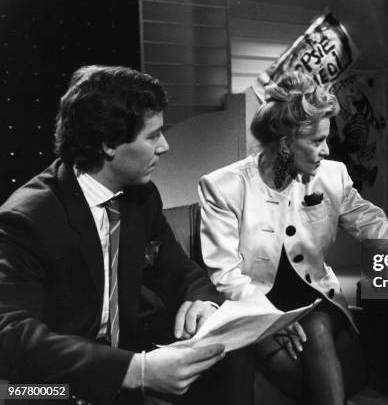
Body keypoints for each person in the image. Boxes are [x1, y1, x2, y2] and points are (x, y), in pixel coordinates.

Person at [0, 65, 253, 405]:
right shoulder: (26, 219)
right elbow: (11, 333)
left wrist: (202, 303)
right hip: (47, 383)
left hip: (127, 350)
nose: (164, 146)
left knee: (226, 353)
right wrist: (136, 371)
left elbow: (181, 270)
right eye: (152, 136)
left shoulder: (141, 196)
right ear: (107, 144)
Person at [198, 71, 388, 405]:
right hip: (256, 303)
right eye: (316, 141)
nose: (327, 150)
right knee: (309, 337)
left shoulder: (332, 176)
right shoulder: (223, 186)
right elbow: (225, 273)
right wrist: (271, 318)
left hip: (318, 299)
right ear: (285, 144)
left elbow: (375, 226)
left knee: (315, 325)